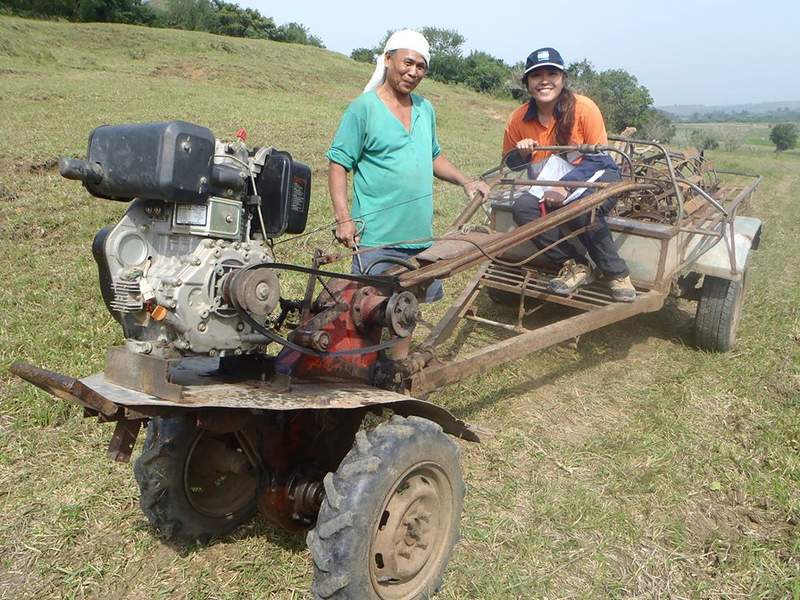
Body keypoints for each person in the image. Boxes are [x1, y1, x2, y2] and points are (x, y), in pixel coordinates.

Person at [326, 30, 489, 302]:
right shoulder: (363, 108)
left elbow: (433, 157)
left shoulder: (425, 109)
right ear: (388, 60)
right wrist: (344, 218)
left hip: (419, 237)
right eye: (408, 63)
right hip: (378, 238)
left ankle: (404, 348)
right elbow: (338, 163)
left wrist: (466, 181)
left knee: (406, 312)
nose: (413, 72)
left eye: (421, 67)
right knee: (369, 311)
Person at [502, 47, 636, 302]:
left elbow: (601, 157)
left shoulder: (584, 108)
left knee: (583, 207)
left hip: (596, 173)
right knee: (523, 208)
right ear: (527, 83)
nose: (544, 80)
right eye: (536, 75)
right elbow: (512, 165)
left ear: (563, 78)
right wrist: (521, 154)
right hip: (548, 179)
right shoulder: (518, 118)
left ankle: (617, 273)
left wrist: (566, 187)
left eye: (552, 73)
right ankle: (575, 265)